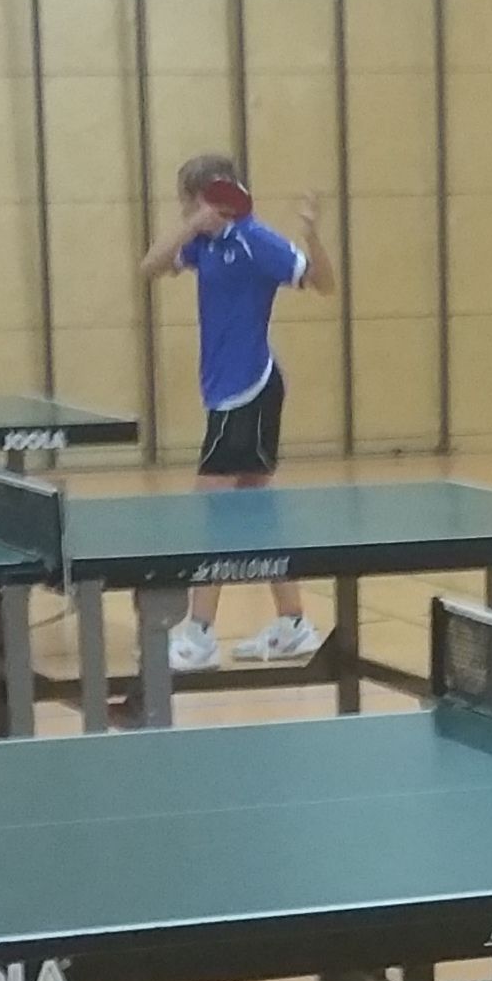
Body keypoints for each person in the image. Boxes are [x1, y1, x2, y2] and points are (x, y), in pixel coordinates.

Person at [137, 154, 335, 672]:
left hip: (247, 392)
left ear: (207, 197)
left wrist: (312, 236)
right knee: (255, 514)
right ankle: (294, 623)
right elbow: (150, 266)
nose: (183, 208)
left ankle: (199, 635)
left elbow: (323, 282)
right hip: (230, 393)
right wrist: (190, 228)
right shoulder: (203, 243)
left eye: (186, 200)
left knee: (214, 516)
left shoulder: (255, 241)